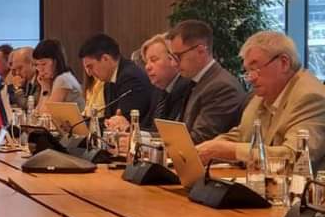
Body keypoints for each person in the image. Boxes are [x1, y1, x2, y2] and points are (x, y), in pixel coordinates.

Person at [197, 31, 325, 170]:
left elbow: (295, 158)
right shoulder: (263, 94)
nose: (251, 78)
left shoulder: (311, 97)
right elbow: (241, 135)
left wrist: (231, 151)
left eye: (255, 69)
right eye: (247, 71)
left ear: (284, 63)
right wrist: (204, 150)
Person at [168, 20, 246, 144]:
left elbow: (201, 139)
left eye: (178, 56)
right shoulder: (196, 81)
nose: (173, 64)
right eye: (172, 57)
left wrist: (161, 144)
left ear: (201, 51)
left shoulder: (222, 87)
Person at [106, 34, 192, 131]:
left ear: (173, 59)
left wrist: (129, 129)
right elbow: (149, 128)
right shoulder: (158, 91)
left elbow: (170, 133)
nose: (147, 67)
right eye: (146, 62)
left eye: (154, 60)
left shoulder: (186, 89)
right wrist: (126, 127)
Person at [79, 33, 152, 120]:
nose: (89, 74)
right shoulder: (109, 79)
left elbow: (123, 122)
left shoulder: (130, 78)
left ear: (105, 59)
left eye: (90, 67)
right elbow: (109, 119)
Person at [33, 39, 85, 112]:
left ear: (55, 62)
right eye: (36, 65)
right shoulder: (53, 80)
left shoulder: (63, 79)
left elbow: (46, 113)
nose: (40, 69)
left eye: (43, 64)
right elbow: (37, 111)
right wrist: (44, 87)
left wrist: (45, 89)